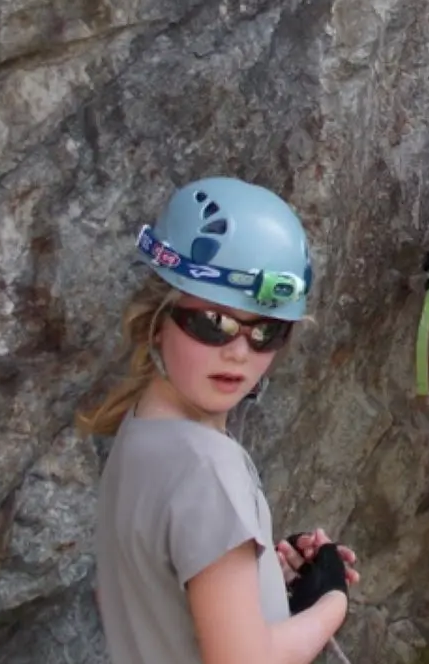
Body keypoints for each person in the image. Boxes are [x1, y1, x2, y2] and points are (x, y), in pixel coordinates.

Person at [83, 177, 361, 664]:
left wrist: (264, 580)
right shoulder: (207, 471)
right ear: (159, 316)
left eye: (265, 332)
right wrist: (330, 602)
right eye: (214, 323)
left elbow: (156, 597)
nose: (237, 353)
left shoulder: (140, 433)